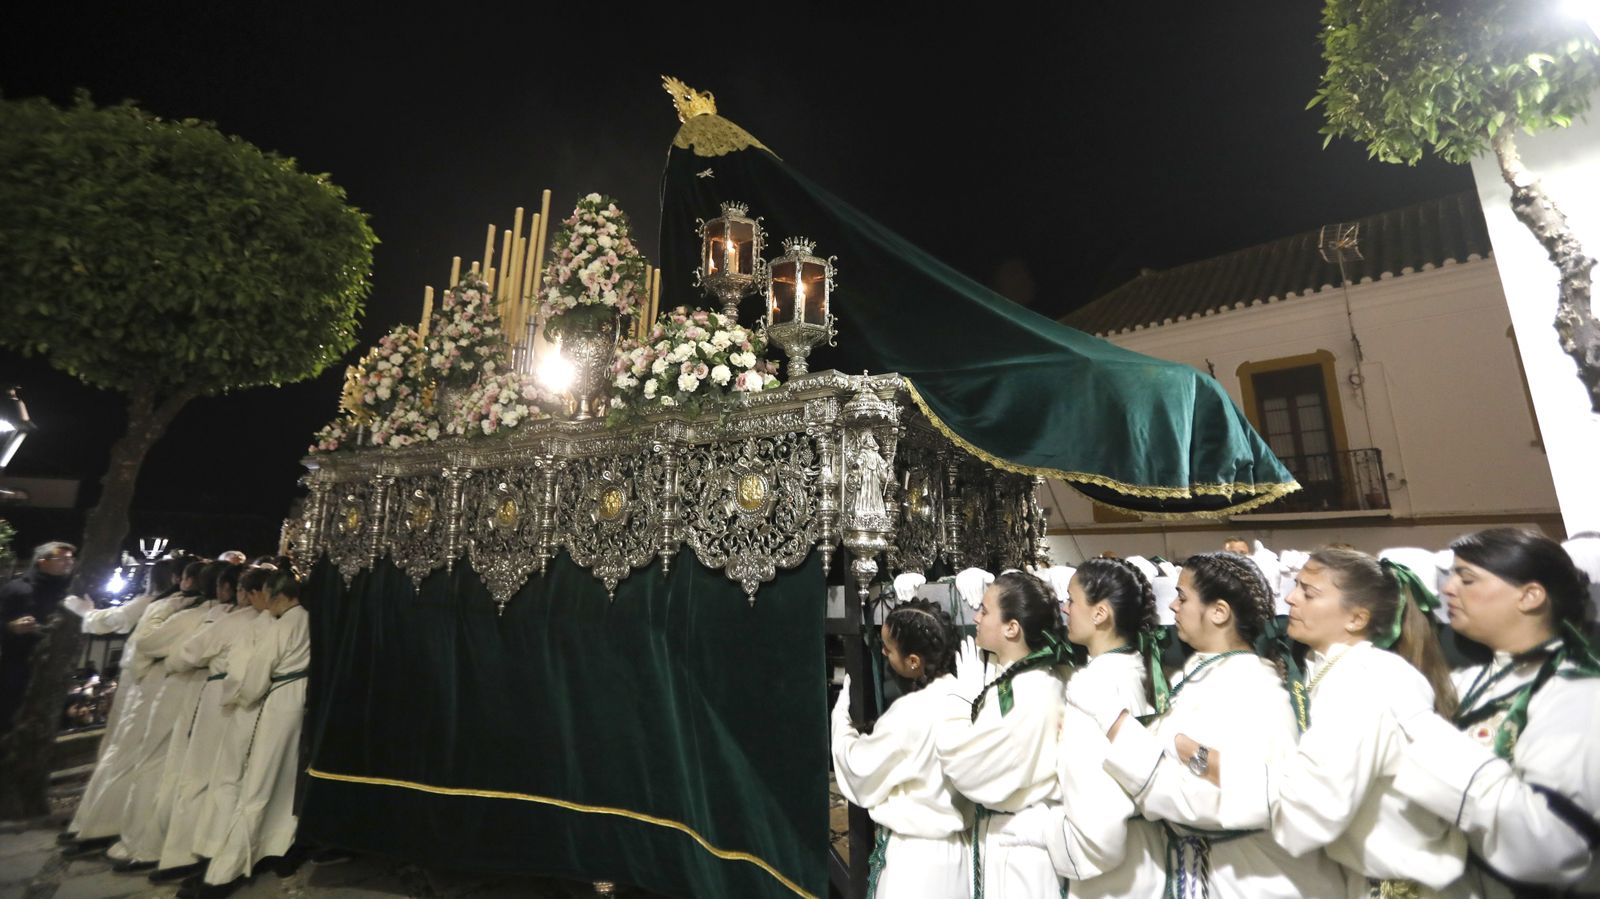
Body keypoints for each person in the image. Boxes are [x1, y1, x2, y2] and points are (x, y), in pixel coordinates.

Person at [1173, 548, 1467, 895]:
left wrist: (1207, 762)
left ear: (1356, 619)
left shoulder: (1366, 679)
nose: (1290, 598)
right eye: (1296, 586)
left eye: (1309, 593)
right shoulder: (1327, 672)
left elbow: (1314, 809)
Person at [1072, 551, 1347, 898]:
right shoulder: (1205, 672)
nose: (1172, 607)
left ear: (1219, 612)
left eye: (1183, 596)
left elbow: (1217, 797)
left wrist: (1117, 723)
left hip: (1258, 880)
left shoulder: (1251, 685)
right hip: (1214, 872)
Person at [1391, 528, 1600, 897]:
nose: (1448, 589)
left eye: (1467, 578)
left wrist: (1430, 746)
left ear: (1530, 596)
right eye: (1452, 575)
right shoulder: (1469, 679)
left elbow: (1551, 846)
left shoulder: (1577, 692)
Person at [1009, 558, 1167, 896]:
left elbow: (1099, 823)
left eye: (1072, 600)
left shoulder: (1093, 687)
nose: (1066, 610)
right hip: (1142, 859)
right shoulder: (1132, 670)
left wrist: (1046, 830)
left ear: (1100, 614)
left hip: (1112, 878)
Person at [934, 571, 1070, 898]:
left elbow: (965, 764)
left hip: (1018, 851)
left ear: (1012, 628)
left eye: (984, 610)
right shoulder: (1015, 679)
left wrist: (960, 701)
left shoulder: (1030, 690)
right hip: (1003, 841)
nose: (975, 617)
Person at [832, 599, 969, 898]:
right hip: (958, 856)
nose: (883, 653)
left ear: (914, 661)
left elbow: (860, 767)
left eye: (888, 649)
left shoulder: (910, 711)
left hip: (914, 862)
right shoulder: (964, 696)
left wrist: (840, 724)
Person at [190, 570, 310, 898]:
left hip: (277, 703)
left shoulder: (282, 625)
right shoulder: (307, 619)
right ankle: (278, 846)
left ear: (276, 595)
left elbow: (258, 674)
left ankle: (227, 868)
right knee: (285, 781)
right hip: (298, 702)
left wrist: (242, 697)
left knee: (257, 781)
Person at [63, 557, 195, 852]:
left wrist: (84, 610)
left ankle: (103, 823)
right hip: (141, 683)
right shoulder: (162, 604)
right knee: (125, 749)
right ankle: (101, 821)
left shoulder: (165, 605)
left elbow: (112, 622)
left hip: (144, 684)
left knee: (126, 750)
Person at [105, 560, 220, 870]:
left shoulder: (189, 615)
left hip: (175, 691)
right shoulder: (218, 616)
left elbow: (147, 643)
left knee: (154, 764)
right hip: (205, 697)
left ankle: (142, 843)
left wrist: (170, 660)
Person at [152, 563, 255, 880]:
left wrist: (169, 662)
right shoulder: (260, 620)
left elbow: (186, 655)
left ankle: (184, 851)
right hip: (241, 703)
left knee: (196, 773)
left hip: (214, 699)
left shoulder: (228, 620)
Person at [1, 542, 77, 736]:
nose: (68, 563)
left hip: (54, 668)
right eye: (62, 559)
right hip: (18, 667)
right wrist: (11, 627)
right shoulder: (16, 589)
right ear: (42, 561)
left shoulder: (72, 593)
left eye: (70, 559)